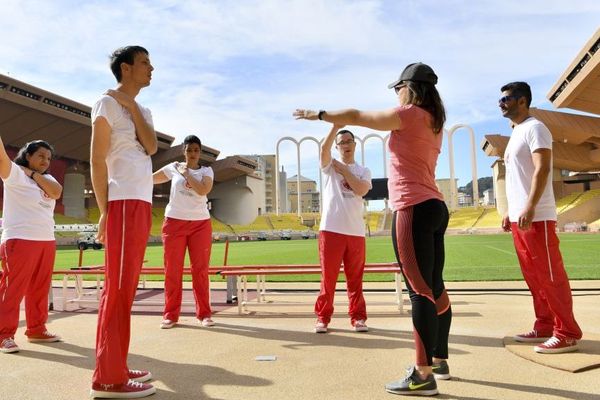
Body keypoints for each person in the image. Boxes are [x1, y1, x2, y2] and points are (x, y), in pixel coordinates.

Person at [294, 62, 451, 396]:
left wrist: (319, 115)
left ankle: (423, 375)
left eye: (399, 88)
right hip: (436, 206)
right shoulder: (435, 121)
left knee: (419, 290)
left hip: (412, 206)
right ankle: (439, 359)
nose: (396, 93)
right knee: (435, 286)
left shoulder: (408, 113)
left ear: (410, 88)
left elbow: (354, 113)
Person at [89, 45, 157, 398]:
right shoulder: (105, 104)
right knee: (116, 290)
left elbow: (151, 147)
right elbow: (97, 159)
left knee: (125, 290)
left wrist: (131, 106)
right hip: (123, 202)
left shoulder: (138, 107)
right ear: (126, 68)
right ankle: (108, 379)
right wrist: (104, 210)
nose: (152, 68)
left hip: (141, 203)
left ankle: (117, 362)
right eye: (145, 62)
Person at [499, 81, 582, 353]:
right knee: (533, 276)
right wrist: (512, 210)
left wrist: (530, 206)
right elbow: (516, 178)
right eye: (500, 99)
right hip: (520, 216)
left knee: (549, 274)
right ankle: (545, 323)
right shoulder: (516, 132)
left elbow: (543, 168)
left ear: (523, 101)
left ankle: (567, 331)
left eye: (507, 98)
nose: (501, 103)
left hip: (538, 216)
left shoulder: (535, 128)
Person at [0, 138, 63, 354]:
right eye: (40, 156)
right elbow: (2, 158)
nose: (45, 161)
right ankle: (3, 334)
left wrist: (34, 175)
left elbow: (56, 192)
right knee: (13, 289)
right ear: (28, 155)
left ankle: (36, 329)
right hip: (20, 239)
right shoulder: (15, 174)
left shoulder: (47, 178)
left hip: (46, 239)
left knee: (40, 288)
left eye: (48, 158)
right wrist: (27, 173)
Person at [311, 125, 372, 334]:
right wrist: (335, 126)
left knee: (355, 279)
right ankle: (323, 317)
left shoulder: (363, 171)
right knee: (328, 278)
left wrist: (345, 170)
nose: (346, 145)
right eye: (341, 142)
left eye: (349, 141)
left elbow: (361, 189)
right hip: (331, 229)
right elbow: (323, 151)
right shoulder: (329, 166)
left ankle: (358, 318)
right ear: (337, 147)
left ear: (355, 145)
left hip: (355, 232)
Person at [153, 135, 215, 329]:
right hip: (174, 223)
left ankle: (204, 314)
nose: (193, 154)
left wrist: (187, 174)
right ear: (184, 151)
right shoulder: (173, 167)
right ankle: (170, 315)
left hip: (200, 224)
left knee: (200, 271)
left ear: (200, 152)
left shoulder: (206, 170)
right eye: (189, 150)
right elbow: (150, 179)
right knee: (172, 270)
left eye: (196, 150)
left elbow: (203, 190)